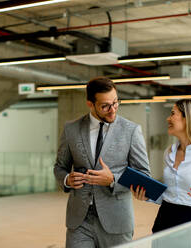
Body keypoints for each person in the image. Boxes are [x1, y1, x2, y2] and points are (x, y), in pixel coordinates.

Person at [54, 76, 151, 248]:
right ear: (90, 104)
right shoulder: (71, 129)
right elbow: (60, 167)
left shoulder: (131, 131)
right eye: (105, 106)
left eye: (115, 102)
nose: (113, 110)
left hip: (116, 220)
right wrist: (67, 179)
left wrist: (113, 180)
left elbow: (143, 175)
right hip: (79, 220)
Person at [131, 99, 191, 234]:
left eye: (173, 114)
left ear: (188, 119)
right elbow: (170, 195)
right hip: (164, 220)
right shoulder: (169, 152)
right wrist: (148, 197)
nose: (168, 118)